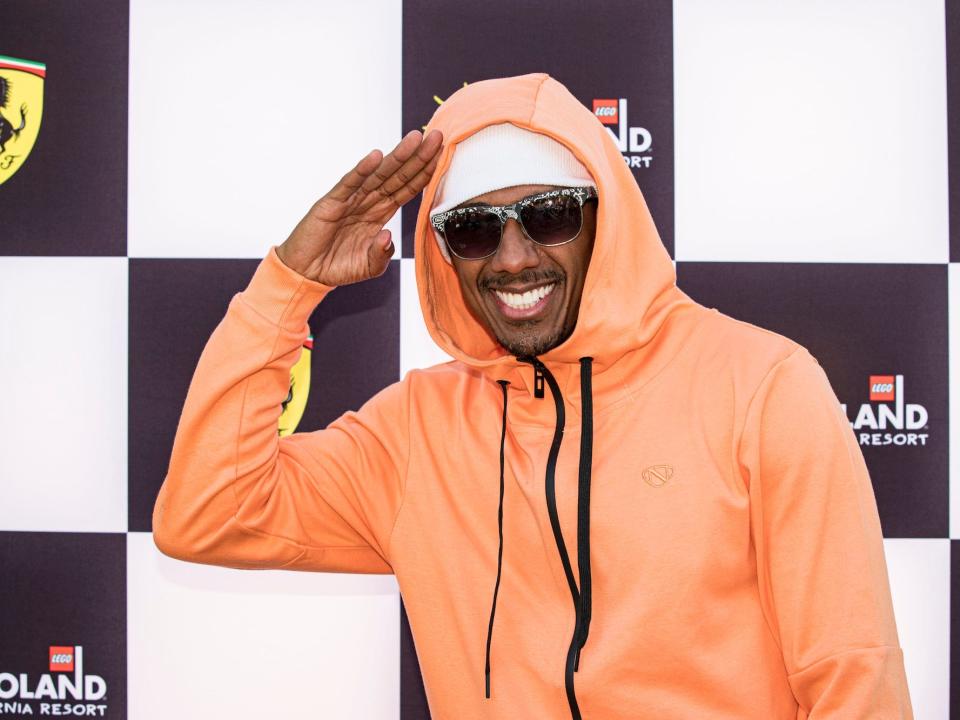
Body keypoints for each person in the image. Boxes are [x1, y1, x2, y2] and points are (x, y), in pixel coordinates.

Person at [152, 72, 914, 719]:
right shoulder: (415, 432)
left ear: (601, 218)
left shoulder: (761, 386)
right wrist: (291, 286)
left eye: (549, 215)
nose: (513, 259)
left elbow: (851, 670)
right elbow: (206, 514)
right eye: (475, 229)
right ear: (444, 253)